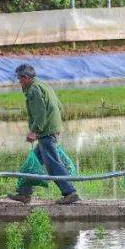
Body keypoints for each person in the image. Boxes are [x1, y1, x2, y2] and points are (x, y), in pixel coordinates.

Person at [7, 63, 80, 205]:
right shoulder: (43, 85)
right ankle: (24, 193)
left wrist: (34, 131)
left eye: (20, 79)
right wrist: (56, 125)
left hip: (46, 132)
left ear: (26, 78)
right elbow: (59, 106)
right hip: (50, 129)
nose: (19, 82)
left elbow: (40, 112)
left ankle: (70, 192)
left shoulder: (33, 89)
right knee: (33, 160)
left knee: (53, 164)